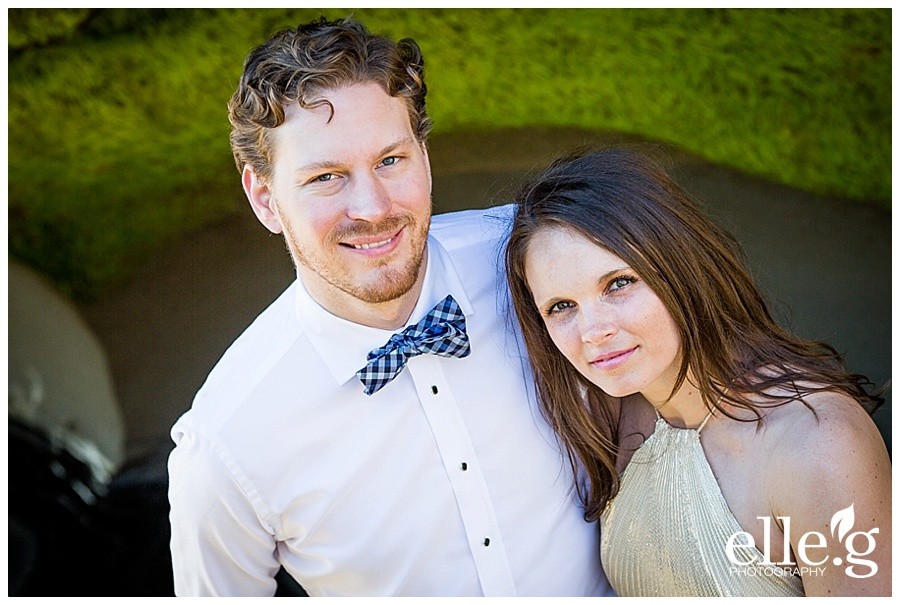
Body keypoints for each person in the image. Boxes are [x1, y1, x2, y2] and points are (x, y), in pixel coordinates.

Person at [166, 16, 612, 597]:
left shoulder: (539, 264)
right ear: (265, 198)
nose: (372, 208)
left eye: (390, 161)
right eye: (327, 177)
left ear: (423, 156)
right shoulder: (225, 444)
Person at [505, 147, 892, 597]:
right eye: (561, 306)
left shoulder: (816, 443)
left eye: (619, 283)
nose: (592, 332)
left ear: (680, 268)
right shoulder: (618, 417)